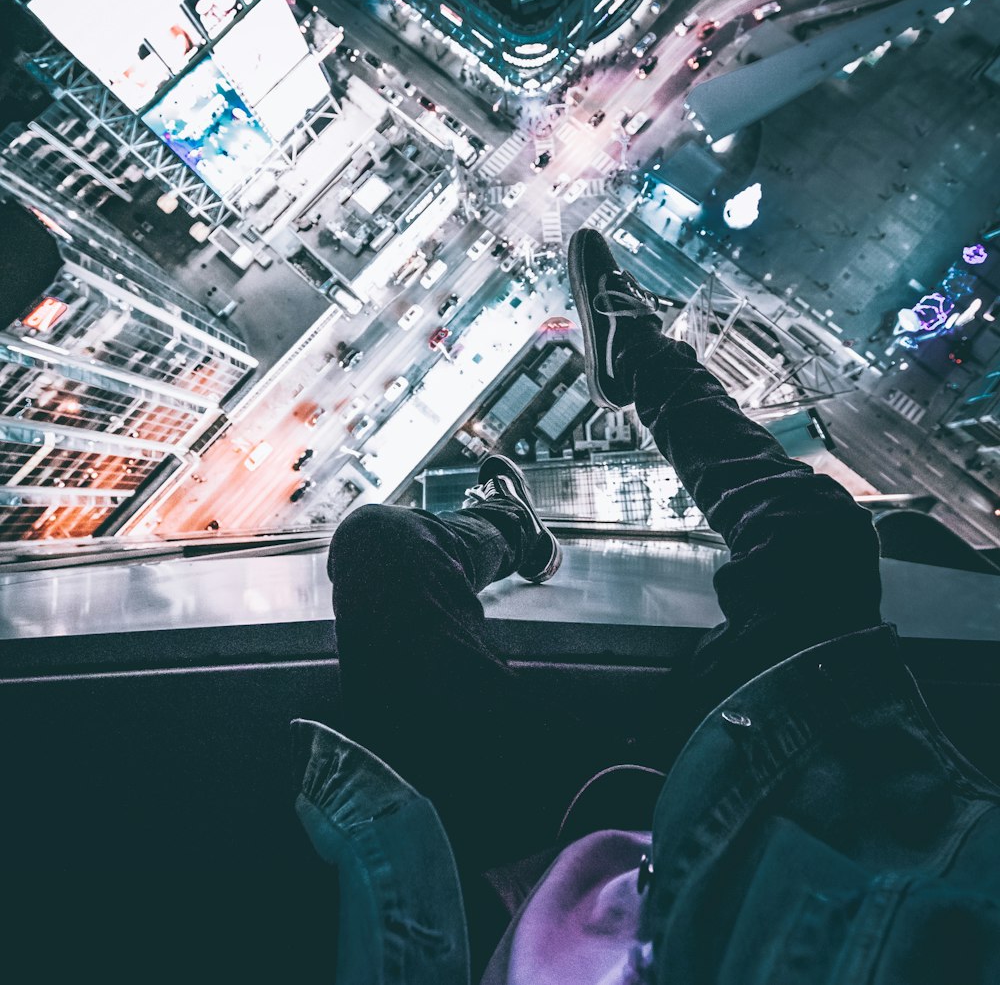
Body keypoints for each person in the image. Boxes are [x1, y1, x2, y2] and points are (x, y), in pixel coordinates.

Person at [296, 227, 1000, 984]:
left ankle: (514, 518)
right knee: (822, 538)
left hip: (529, 868)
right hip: (712, 818)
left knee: (376, 543)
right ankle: (638, 359)